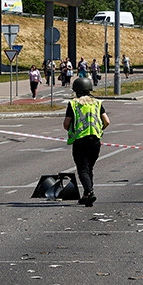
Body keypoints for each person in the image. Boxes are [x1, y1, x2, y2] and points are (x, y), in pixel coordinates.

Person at [63, 76, 110, 207]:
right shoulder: (97, 103)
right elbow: (107, 121)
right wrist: (99, 130)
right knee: (89, 168)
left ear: (76, 91)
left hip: (80, 140)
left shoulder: (73, 104)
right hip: (95, 140)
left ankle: (89, 191)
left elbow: (66, 124)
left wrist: (73, 129)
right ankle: (86, 195)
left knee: (82, 169)